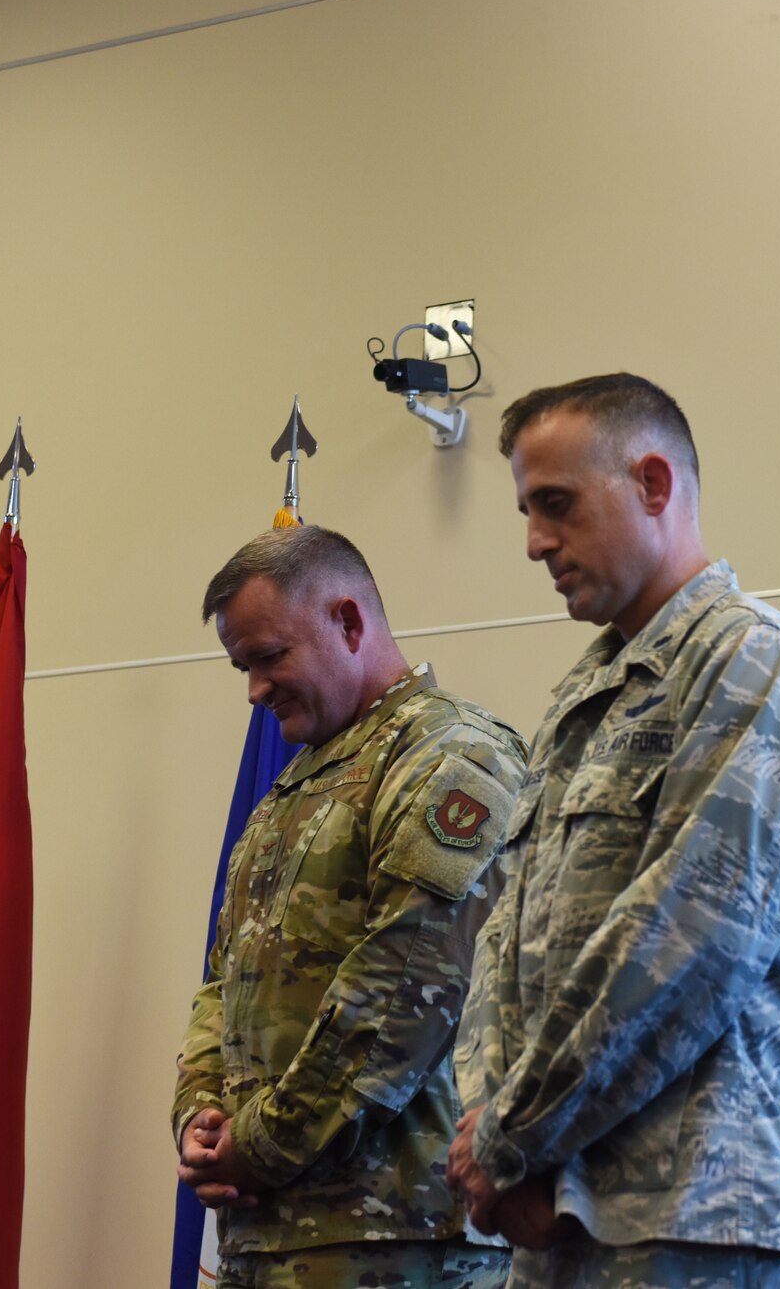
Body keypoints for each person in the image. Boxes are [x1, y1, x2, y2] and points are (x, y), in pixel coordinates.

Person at [445, 373, 780, 1289]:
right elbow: (502, 944)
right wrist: (489, 1137)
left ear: (654, 484)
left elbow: (693, 936)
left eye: (556, 504)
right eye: (526, 512)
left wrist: (509, 1136)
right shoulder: (583, 699)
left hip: (700, 1216)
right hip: (552, 1211)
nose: (537, 541)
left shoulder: (754, 659)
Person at [174, 525, 528, 1289]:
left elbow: (402, 995)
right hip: (268, 1236)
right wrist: (200, 1118)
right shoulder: (290, 793)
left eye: (270, 657)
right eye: (243, 666)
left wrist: (257, 1146)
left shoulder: (450, 757)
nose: (255, 689)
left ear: (348, 620)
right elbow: (224, 984)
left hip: (402, 1241)